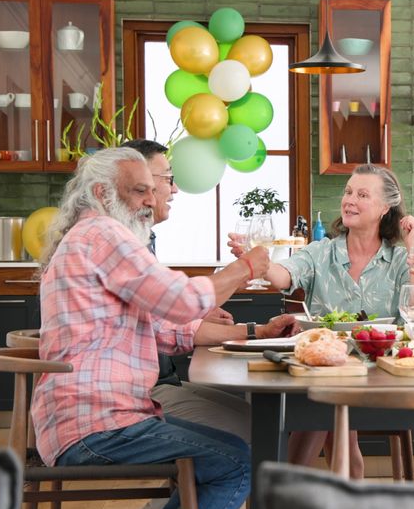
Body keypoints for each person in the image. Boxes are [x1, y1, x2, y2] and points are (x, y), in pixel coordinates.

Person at [35, 148, 272, 509]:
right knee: (237, 462)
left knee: (229, 453)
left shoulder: (92, 237)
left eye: (152, 188)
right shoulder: (103, 235)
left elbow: (167, 327)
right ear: (101, 193)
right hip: (98, 424)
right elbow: (179, 301)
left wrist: (256, 331)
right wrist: (245, 268)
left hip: (93, 418)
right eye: (139, 190)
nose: (151, 199)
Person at [230, 163, 414, 478]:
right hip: (326, 371)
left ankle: (280, 493)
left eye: (362, 194)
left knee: (324, 406)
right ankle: (328, 488)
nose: (350, 200)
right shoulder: (321, 252)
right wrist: (257, 263)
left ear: (385, 208)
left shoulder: (401, 259)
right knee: (329, 402)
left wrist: (413, 246)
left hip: (385, 376)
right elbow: (283, 276)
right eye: (348, 192)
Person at [122, 139, 294, 444]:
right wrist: (242, 272)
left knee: (264, 421)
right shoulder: (122, 243)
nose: (174, 189)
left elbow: (164, 319)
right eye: (168, 178)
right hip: (136, 396)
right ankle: (202, 489)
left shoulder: (138, 237)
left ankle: (195, 490)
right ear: (138, 182)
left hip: (157, 383)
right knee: (256, 431)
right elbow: (171, 318)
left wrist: (255, 328)